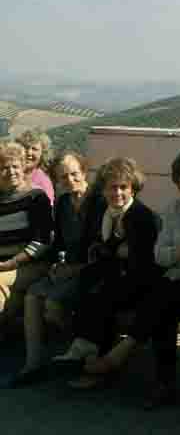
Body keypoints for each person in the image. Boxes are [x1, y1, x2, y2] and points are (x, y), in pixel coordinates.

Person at [80, 147, 180, 408]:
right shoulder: (173, 208)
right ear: (178, 179)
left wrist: (178, 257)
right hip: (176, 281)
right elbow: (159, 254)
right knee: (162, 307)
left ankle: (129, 362)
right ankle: (162, 382)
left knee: (159, 298)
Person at [53, 158, 161, 384]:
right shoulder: (106, 213)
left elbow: (139, 261)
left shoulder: (140, 216)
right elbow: (103, 250)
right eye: (112, 187)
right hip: (113, 274)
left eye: (124, 187)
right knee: (85, 285)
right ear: (103, 190)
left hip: (140, 282)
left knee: (100, 296)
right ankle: (85, 354)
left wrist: (112, 251)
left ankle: (91, 359)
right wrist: (114, 249)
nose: (118, 193)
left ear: (133, 188)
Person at [13, 151, 104, 385]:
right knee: (32, 294)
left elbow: (101, 250)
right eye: (63, 177)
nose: (70, 180)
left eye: (74, 174)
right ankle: (33, 363)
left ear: (84, 172)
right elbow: (60, 242)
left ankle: (79, 353)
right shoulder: (63, 203)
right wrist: (54, 264)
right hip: (67, 268)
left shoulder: (100, 202)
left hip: (90, 270)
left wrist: (73, 269)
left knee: (53, 306)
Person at [0, 142, 53, 335]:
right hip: (4, 266)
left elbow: (43, 241)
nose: (11, 171)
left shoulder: (36, 197)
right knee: (8, 300)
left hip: (29, 265)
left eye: (15, 166)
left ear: (23, 167)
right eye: (5, 167)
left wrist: (12, 262)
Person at [16, 128, 54, 204]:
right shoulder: (10, 172)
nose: (29, 153)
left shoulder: (43, 182)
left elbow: (47, 211)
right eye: (26, 147)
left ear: (42, 154)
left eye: (35, 149)